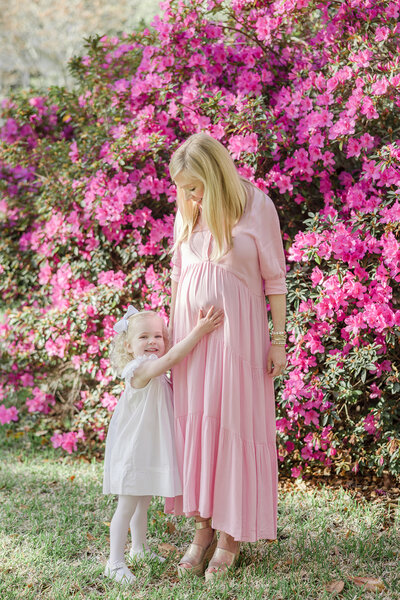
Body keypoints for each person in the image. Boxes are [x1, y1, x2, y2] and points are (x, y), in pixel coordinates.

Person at [166, 133, 287, 582]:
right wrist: (170, 339)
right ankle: (202, 531)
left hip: (238, 343)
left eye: (194, 186)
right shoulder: (187, 210)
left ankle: (231, 534)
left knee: (233, 425)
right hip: (192, 344)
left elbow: (275, 280)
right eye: (182, 188)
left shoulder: (258, 207)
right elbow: (178, 276)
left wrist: (280, 340)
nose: (189, 196)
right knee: (199, 427)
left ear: (216, 176)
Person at [103, 304, 224, 584]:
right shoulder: (140, 370)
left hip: (147, 446)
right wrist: (199, 331)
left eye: (158, 336)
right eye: (143, 337)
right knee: (127, 504)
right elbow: (172, 359)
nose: (152, 342)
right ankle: (114, 562)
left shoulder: (153, 372)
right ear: (129, 346)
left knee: (141, 502)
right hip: (133, 450)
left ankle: (139, 549)